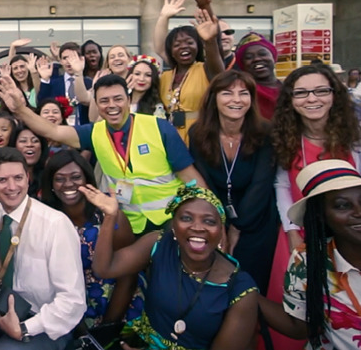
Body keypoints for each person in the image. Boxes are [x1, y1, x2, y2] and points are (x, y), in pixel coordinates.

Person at [0, 74, 204, 235]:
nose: (111, 105)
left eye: (118, 99)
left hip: (170, 219)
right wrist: (21, 109)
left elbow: (191, 178)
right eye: (104, 100)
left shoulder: (159, 127)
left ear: (128, 100)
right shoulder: (94, 132)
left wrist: (213, 217)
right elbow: (53, 131)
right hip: (127, 224)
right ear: (96, 104)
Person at [84, 182, 258, 350]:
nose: (198, 227)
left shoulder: (241, 290)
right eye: (186, 218)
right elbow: (104, 268)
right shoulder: (159, 244)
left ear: (221, 231)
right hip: (137, 341)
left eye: (209, 221)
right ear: (173, 226)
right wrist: (110, 217)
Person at [0, 148, 86, 349]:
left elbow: (72, 301)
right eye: (2, 180)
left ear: (28, 178)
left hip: (44, 320)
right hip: (4, 303)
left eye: (18, 178)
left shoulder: (55, 224)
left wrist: (24, 328)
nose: (12, 187)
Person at [268, 63, 361, 349]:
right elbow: (282, 185)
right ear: (291, 100)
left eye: (321, 90)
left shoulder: (354, 136)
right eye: (302, 93)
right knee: (294, 311)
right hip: (299, 231)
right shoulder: (285, 137)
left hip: (350, 233)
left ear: (334, 94)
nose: (312, 98)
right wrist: (291, 231)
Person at [39, 150, 143, 346]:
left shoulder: (110, 214)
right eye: (59, 179)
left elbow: (128, 277)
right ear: (51, 184)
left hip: (118, 302)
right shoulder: (45, 219)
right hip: (67, 304)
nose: (68, 184)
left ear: (87, 180)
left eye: (75, 177)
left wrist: (107, 326)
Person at [188, 70, 278, 294]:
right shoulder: (198, 133)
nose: (236, 100)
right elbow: (205, 183)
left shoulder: (265, 132)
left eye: (243, 93)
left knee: (251, 284)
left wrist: (237, 227)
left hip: (257, 217)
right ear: (214, 98)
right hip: (216, 216)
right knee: (217, 283)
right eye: (227, 93)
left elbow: (261, 184)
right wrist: (220, 224)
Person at [258, 159, 361, 349]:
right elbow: (300, 327)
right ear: (321, 215)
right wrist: (245, 293)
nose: (359, 212)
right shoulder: (308, 259)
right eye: (342, 205)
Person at [157, 3, 224, 144]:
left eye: (189, 42)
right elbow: (159, 48)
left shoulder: (205, 69)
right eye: (177, 45)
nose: (184, 47)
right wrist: (163, 17)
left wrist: (210, 40)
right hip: (171, 136)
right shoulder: (166, 77)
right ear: (171, 52)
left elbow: (217, 63)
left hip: (201, 136)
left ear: (198, 46)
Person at [37, 42, 92, 125]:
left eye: (72, 57)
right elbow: (42, 104)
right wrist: (45, 80)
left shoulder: (89, 82)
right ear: (60, 61)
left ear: (81, 59)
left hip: (83, 127)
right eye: (65, 58)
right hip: (60, 128)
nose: (68, 61)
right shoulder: (54, 82)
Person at [234, 32, 282, 120]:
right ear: (243, 65)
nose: (257, 59)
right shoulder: (244, 91)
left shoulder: (290, 87)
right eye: (249, 57)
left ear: (273, 57)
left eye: (262, 54)